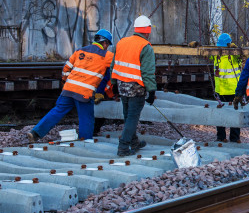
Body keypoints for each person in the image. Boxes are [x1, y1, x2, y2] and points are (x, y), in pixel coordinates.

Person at [27, 29, 114, 142]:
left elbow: (66, 68)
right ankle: (85, 142)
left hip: (68, 89)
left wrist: (66, 81)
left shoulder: (80, 51)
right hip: (84, 93)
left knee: (57, 111)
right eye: (108, 45)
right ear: (105, 43)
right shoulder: (107, 55)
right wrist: (107, 90)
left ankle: (35, 133)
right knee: (86, 118)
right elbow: (115, 70)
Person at [111, 15, 157, 157]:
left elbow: (114, 65)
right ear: (148, 31)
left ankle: (134, 142)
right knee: (132, 117)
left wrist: (113, 84)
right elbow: (148, 72)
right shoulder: (145, 47)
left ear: (136, 29)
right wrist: (152, 91)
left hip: (121, 86)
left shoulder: (122, 42)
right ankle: (123, 147)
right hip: (136, 88)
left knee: (127, 115)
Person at [212, 32, 242, 143]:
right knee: (220, 115)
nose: (221, 49)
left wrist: (236, 50)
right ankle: (221, 137)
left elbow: (242, 56)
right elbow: (204, 53)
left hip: (232, 90)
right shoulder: (216, 54)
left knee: (233, 115)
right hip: (221, 90)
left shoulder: (234, 55)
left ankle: (234, 138)